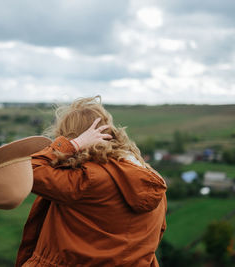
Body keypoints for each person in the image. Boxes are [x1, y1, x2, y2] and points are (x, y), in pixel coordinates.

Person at [15, 96, 168, 267]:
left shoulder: (85, 179)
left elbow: (27, 169)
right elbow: (155, 236)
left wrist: (72, 145)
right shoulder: (152, 179)